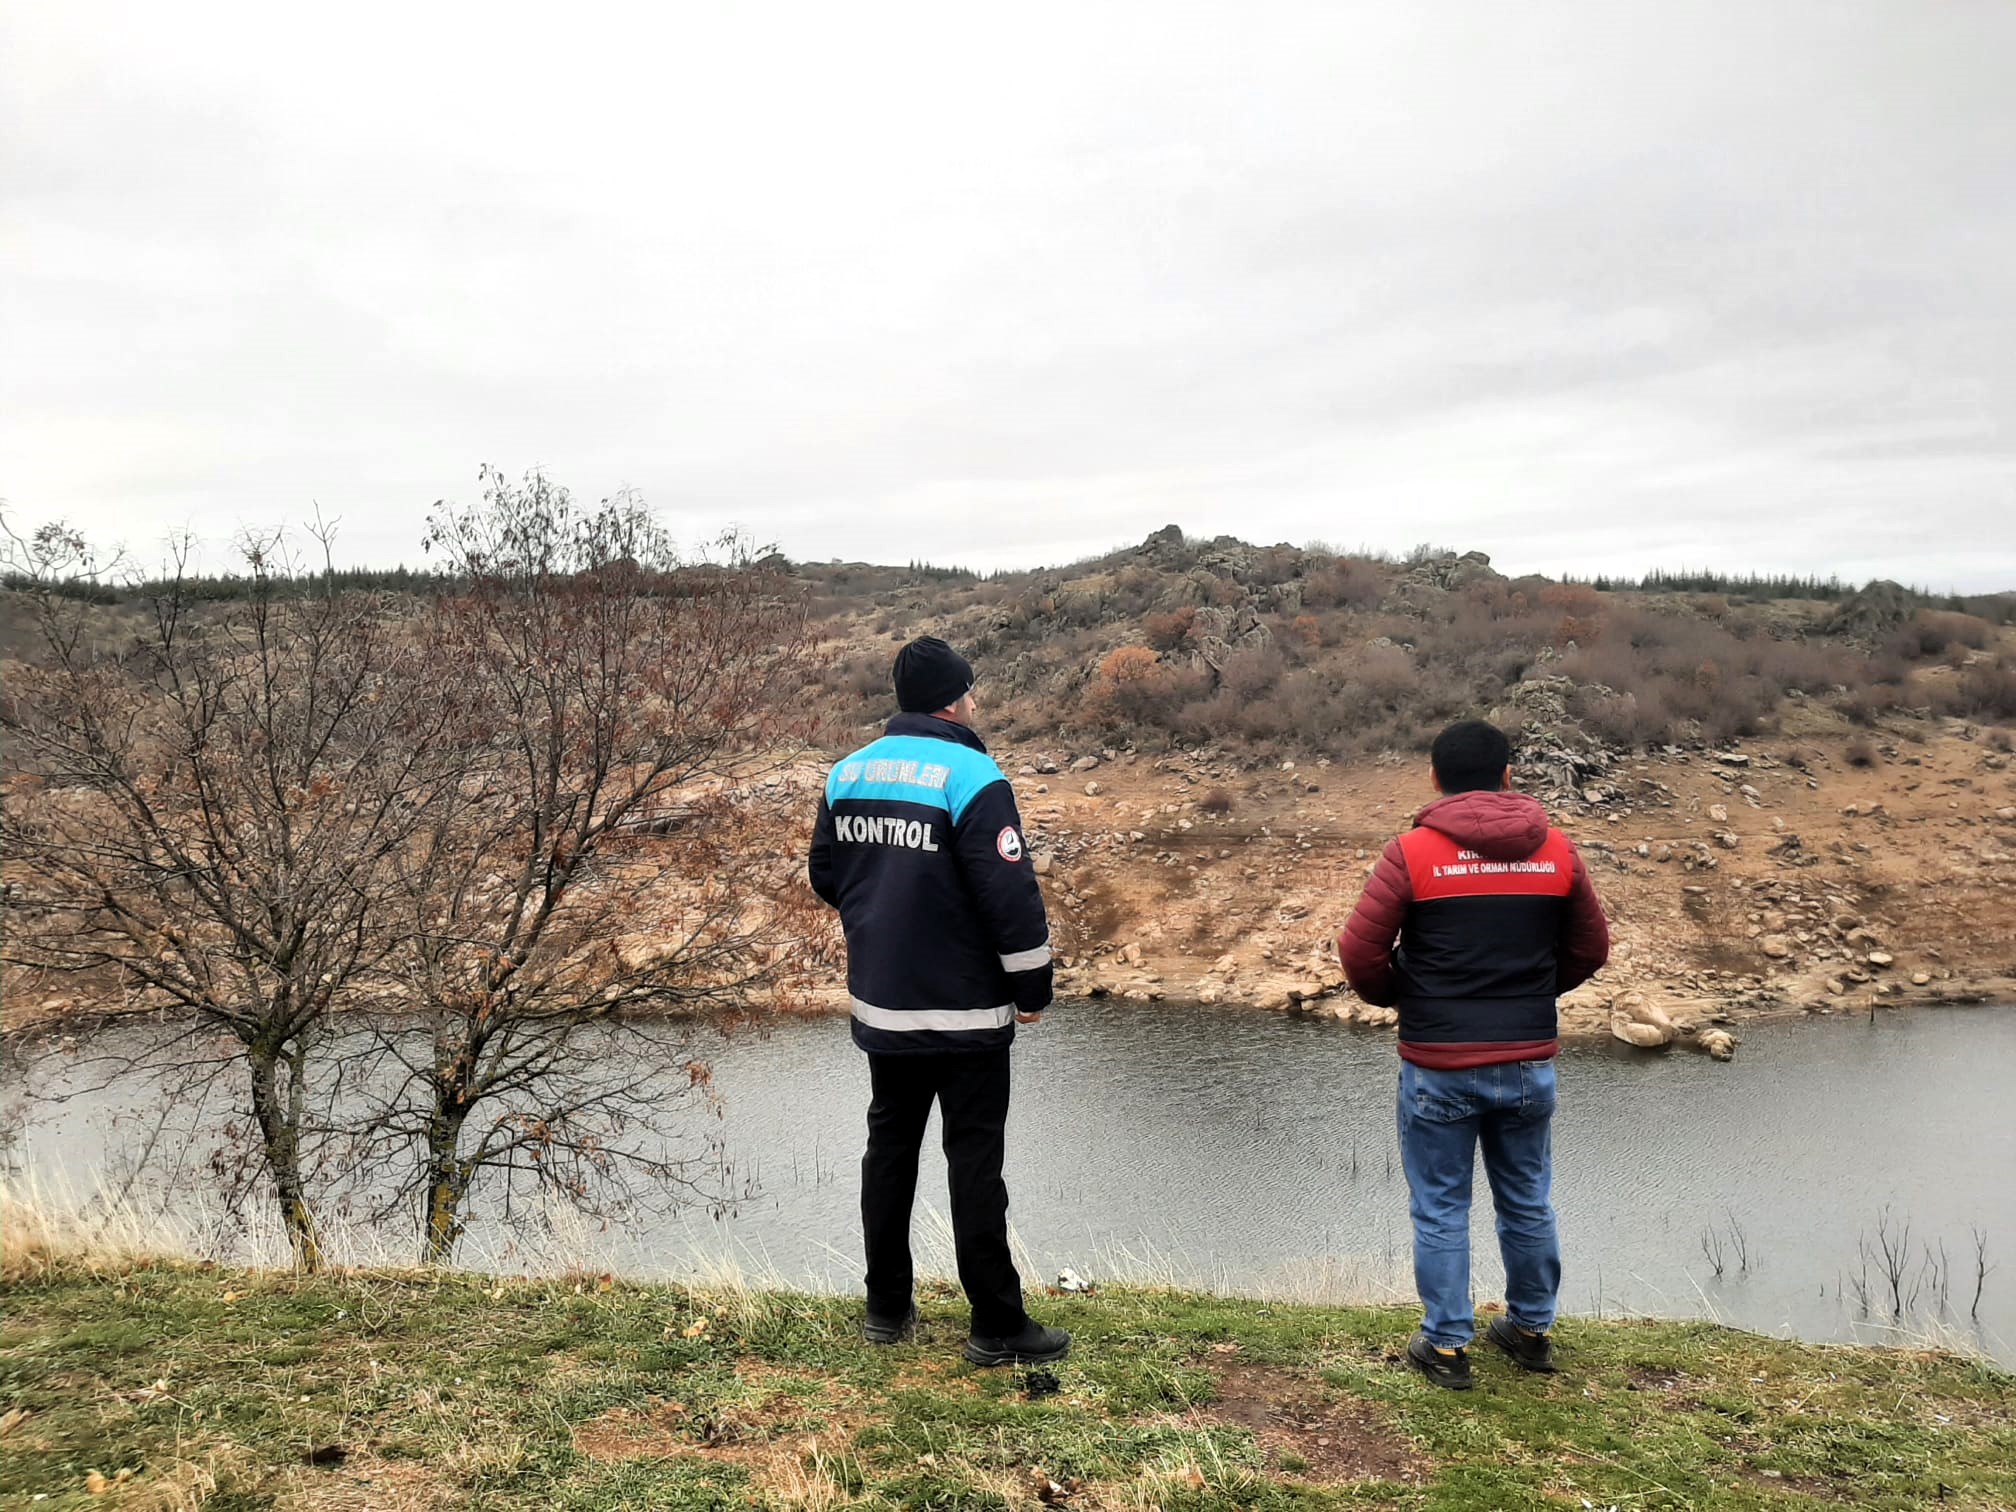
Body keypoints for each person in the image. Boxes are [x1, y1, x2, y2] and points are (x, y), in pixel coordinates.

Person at [808, 635, 1070, 1366]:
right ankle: (996, 1326)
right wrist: (1032, 986)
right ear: (955, 698)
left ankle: (886, 1309)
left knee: (888, 1151)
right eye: (971, 691)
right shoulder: (973, 774)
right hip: (965, 1012)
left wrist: (882, 912)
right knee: (974, 1160)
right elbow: (1008, 894)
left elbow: (826, 874)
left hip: (884, 1007)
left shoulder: (847, 772)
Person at [1338, 718, 1609, 1390]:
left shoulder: (1412, 853)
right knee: (1527, 1201)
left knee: (1440, 1206)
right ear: (1508, 775)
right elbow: (1590, 950)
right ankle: (1529, 1329)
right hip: (1527, 1061)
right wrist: (1532, 991)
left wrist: (1408, 998)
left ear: (1435, 778)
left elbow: (1359, 953)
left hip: (1437, 1063)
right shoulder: (1558, 852)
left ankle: (1448, 1346)